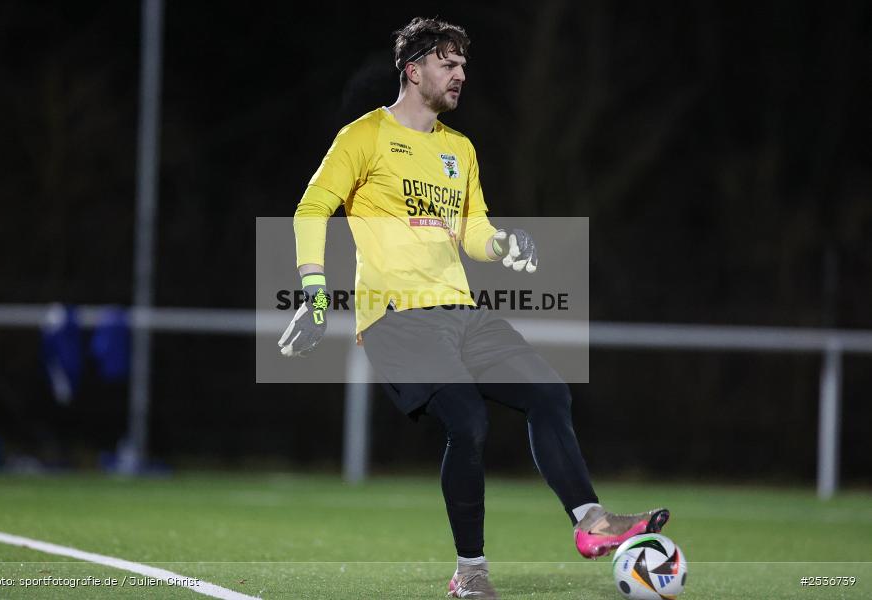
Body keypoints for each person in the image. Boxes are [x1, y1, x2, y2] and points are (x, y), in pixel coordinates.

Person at [279, 16, 669, 599]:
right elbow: (312, 209)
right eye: (448, 63)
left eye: (463, 64)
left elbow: (473, 232)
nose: (460, 73)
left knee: (549, 392)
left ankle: (591, 522)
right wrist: (314, 292)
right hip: (396, 319)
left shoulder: (459, 149)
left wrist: (506, 244)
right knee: (468, 422)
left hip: (462, 312)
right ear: (413, 71)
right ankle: (471, 572)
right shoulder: (363, 136)